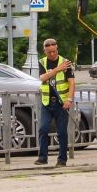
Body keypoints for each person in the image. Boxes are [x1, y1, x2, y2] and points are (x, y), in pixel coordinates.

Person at [34, 38, 75, 167]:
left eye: (53, 51)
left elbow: (72, 82)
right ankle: (42, 158)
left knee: (62, 132)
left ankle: (62, 160)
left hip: (61, 103)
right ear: (44, 51)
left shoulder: (66, 63)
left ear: (57, 48)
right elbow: (42, 78)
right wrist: (58, 69)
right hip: (46, 102)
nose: (51, 54)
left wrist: (69, 100)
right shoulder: (42, 62)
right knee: (43, 129)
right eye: (49, 52)